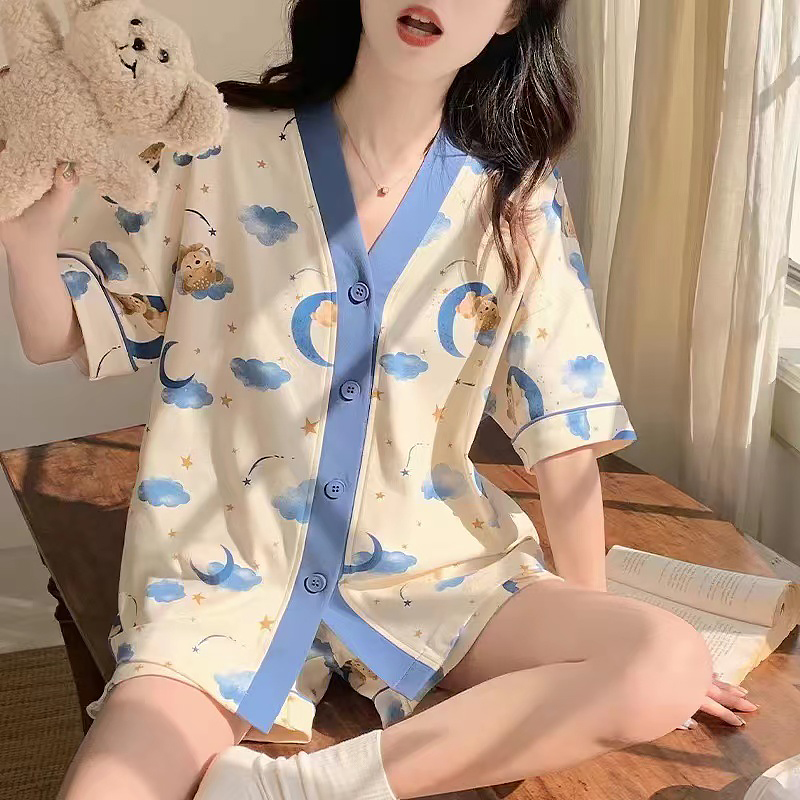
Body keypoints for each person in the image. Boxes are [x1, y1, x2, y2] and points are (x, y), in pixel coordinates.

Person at [0, 1, 758, 798]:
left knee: (666, 660)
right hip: (222, 584)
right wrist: (24, 239)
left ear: (511, 14)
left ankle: (309, 789)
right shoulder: (215, 143)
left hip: (437, 571)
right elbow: (61, 335)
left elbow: (564, 432)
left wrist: (593, 642)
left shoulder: (517, 199)